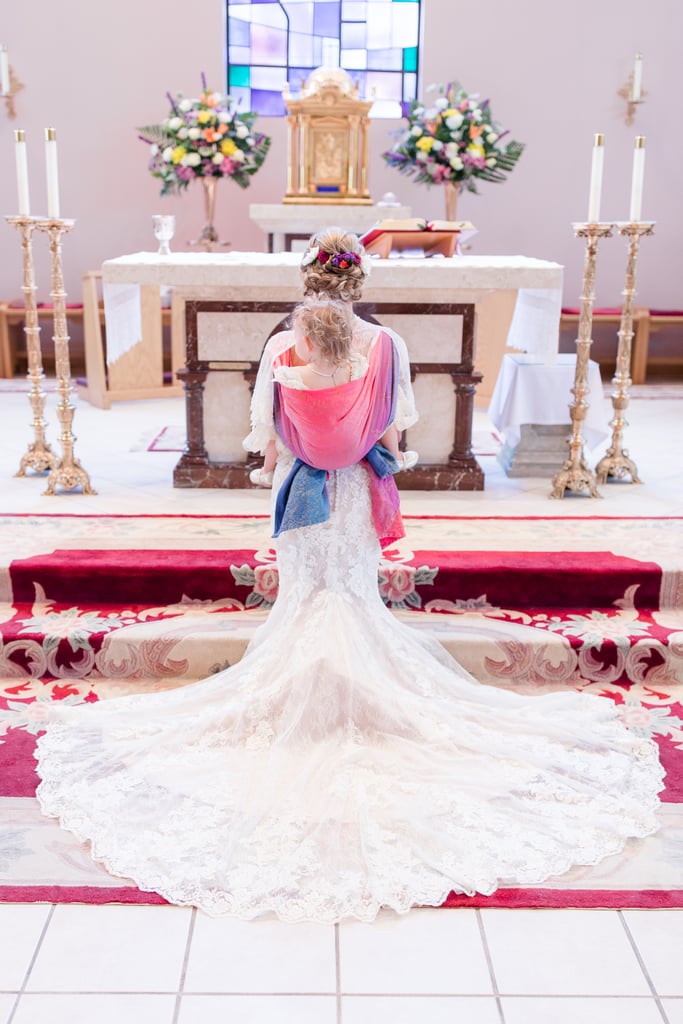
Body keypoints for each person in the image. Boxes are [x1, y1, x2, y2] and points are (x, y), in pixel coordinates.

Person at [28, 227, 663, 924]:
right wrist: (370, 450)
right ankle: (362, 695)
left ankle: (301, 694)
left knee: (306, 591)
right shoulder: (384, 345)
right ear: (359, 282)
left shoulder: (279, 345)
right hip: (355, 488)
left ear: (308, 278)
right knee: (351, 588)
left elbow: (263, 430)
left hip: (299, 488)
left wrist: (275, 462)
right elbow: (394, 432)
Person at [249, 293, 418, 488]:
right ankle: (396, 456)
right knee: (381, 403)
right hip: (354, 448)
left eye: (296, 338)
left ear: (308, 344)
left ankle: (266, 471)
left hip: (311, 452)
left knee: (276, 419)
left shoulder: (291, 376)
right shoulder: (357, 367)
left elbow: (278, 416)